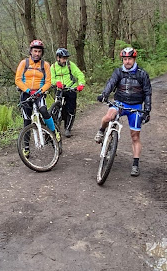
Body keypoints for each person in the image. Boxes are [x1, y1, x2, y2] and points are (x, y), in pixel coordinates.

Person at [95, 47, 152, 177]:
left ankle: (135, 164)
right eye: (125, 59)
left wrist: (147, 110)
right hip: (120, 102)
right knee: (108, 117)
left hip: (136, 106)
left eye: (129, 59)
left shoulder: (142, 74)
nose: (127, 62)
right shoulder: (118, 72)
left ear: (134, 59)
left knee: (135, 136)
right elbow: (111, 83)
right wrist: (104, 94)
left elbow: (148, 92)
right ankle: (101, 131)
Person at [15, 39, 60, 156]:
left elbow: (48, 82)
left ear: (42, 53)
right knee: (27, 120)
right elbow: (18, 80)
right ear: (31, 51)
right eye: (35, 51)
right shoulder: (24, 63)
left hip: (39, 93)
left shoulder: (45, 65)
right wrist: (28, 90)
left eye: (39, 51)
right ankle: (26, 147)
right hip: (26, 94)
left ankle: (54, 133)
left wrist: (40, 91)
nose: (37, 54)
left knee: (44, 111)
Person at [50, 47, 86, 137]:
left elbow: (79, 74)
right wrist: (56, 83)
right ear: (58, 58)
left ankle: (68, 128)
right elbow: (51, 79)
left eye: (66, 58)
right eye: (63, 58)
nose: (65, 60)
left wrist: (81, 84)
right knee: (55, 109)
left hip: (71, 88)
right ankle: (53, 127)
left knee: (71, 109)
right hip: (59, 89)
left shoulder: (70, 65)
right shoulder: (53, 67)